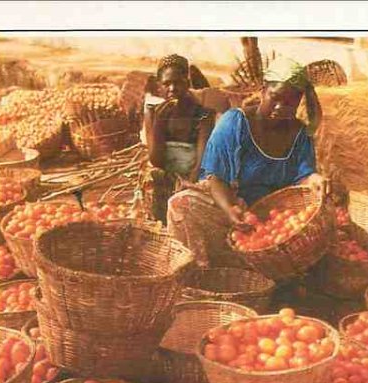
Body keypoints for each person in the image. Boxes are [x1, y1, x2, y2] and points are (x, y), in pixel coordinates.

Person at [167, 56, 329, 270]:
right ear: (263, 90)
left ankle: (257, 264)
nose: (280, 107)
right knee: (181, 204)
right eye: (275, 97)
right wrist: (230, 208)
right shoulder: (235, 123)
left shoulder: (299, 134)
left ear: (299, 102)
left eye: (290, 102)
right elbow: (216, 177)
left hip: (272, 216)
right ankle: (196, 271)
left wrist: (314, 179)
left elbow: (302, 176)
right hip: (233, 206)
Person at [140, 54, 216, 222]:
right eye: (167, 84)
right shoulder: (153, 113)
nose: (173, 88)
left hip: (192, 175)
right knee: (153, 176)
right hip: (165, 172)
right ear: (159, 87)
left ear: (187, 84)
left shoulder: (203, 115)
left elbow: (201, 162)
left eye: (178, 82)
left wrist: (190, 184)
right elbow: (156, 161)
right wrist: (159, 122)